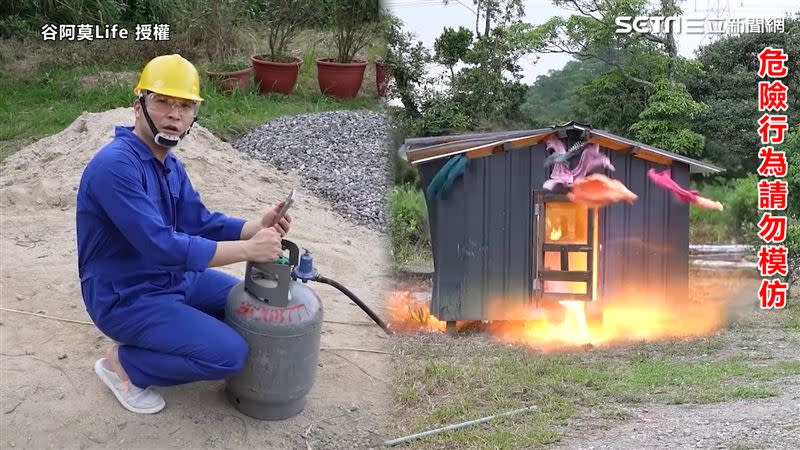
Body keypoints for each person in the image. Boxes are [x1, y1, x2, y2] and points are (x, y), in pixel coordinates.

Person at [75, 54, 291, 414]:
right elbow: (161, 246)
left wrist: (257, 226)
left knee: (246, 305)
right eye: (163, 101)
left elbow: (199, 220)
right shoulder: (114, 167)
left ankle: (174, 335)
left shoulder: (168, 164)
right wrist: (248, 249)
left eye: (186, 105)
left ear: (194, 116)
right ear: (138, 105)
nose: (175, 114)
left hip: (172, 279)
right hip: (126, 296)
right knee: (229, 354)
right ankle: (125, 365)